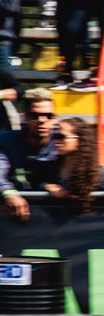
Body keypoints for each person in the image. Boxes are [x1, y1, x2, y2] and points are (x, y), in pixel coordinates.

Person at [40, 118, 104, 209]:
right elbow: (36, 182)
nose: (56, 141)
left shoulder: (96, 172)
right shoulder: (49, 167)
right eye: (55, 136)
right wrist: (46, 186)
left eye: (61, 137)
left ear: (80, 141)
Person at [0, 90, 59, 222]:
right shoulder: (5, 141)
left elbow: (86, 166)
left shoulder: (64, 140)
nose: (42, 120)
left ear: (55, 118)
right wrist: (8, 192)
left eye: (49, 116)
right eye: (35, 115)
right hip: (13, 214)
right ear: (25, 117)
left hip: (57, 215)